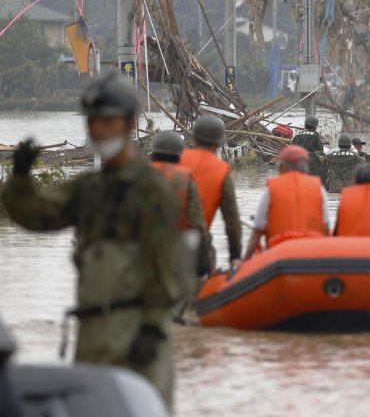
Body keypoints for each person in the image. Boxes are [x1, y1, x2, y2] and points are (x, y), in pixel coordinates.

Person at [1, 73, 186, 406]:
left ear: (130, 124)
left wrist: (154, 327)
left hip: (137, 330)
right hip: (91, 330)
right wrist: (20, 178)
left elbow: (167, 266)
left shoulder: (151, 189)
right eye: (93, 121)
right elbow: (38, 216)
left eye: (108, 121)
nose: (99, 129)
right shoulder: (88, 188)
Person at [179, 115, 242, 272]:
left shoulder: (174, 159)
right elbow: (232, 221)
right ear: (218, 143)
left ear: (193, 138)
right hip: (195, 247)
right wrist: (235, 256)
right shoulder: (221, 170)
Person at [244, 145, 329, 258]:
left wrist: (244, 260)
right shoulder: (318, 187)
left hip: (279, 254)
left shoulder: (272, 187)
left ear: (283, 167)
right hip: (311, 253)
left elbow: (258, 229)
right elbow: (326, 227)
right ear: (305, 167)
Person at [150, 131, 210, 277]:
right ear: (180, 155)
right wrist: (203, 265)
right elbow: (197, 224)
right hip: (174, 255)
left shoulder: (136, 175)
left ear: (152, 154)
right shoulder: (185, 179)